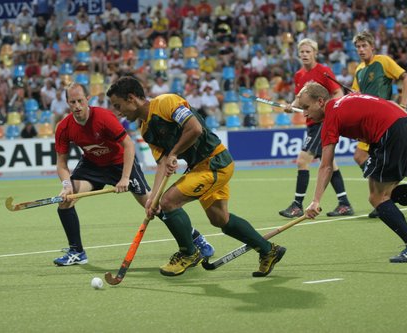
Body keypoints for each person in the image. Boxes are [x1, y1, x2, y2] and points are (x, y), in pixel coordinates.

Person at [107, 76, 286, 278]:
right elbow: (163, 163)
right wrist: (152, 198)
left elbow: (195, 128)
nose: (118, 112)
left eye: (118, 105)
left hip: (215, 162)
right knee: (220, 219)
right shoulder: (146, 130)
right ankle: (268, 250)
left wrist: (173, 154)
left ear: (131, 98)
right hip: (200, 168)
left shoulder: (167, 102)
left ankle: (188, 253)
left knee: (168, 202)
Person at [52, 83, 214, 266]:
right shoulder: (64, 127)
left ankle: (195, 238)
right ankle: (77, 252)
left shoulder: (103, 117)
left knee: (152, 205)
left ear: (87, 99)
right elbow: (61, 163)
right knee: (66, 202)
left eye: (80, 101)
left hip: (120, 163)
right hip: (93, 165)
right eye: (72, 102)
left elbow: (128, 145)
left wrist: (124, 178)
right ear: (67, 102)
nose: (77, 106)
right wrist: (66, 187)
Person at [302, 82, 407, 263]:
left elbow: (326, 165)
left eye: (306, 107)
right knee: (387, 193)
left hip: (391, 133)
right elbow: (389, 103)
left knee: (377, 198)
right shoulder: (345, 100)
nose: (304, 114)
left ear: (320, 102)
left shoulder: (332, 116)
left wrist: (316, 201)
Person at [279, 38, 353, 218]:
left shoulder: (324, 71)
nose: (304, 54)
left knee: (302, 160)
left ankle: (297, 205)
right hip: (311, 124)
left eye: (307, 51)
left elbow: (337, 92)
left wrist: (329, 110)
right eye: (301, 52)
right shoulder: (298, 75)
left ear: (315, 53)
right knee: (330, 163)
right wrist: (291, 105)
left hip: (323, 121)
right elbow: (299, 99)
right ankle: (344, 203)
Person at [351, 31, 407, 218]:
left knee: (362, 156)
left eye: (364, 46)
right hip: (369, 124)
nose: (361, 50)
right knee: (361, 156)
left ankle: (383, 198)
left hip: (386, 122)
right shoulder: (359, 70)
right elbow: (355, 95)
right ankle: (383, 197)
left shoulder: (383, 61)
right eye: (358, 47)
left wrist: (402, 104)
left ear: (372, 47)